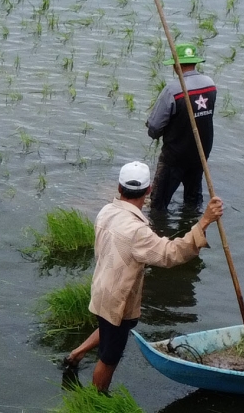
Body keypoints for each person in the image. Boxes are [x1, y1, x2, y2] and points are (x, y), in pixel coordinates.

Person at [62, 161, 223, 393]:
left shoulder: (106, 211)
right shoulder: (138, 231)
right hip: (118, 299)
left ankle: (75, 355)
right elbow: (171, 254)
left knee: (109, 328)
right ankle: (97, 398)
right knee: (109, 358)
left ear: (119, 188)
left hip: (101, 288)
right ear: (149, 191)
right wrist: (204, 221)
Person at [145, 42, 217, 211]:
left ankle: (159, 232)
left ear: (176, 66)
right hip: (201, 152)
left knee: (158, 203)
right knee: (193, 201)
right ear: (195, 63)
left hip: (175, 156)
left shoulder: (172, 90)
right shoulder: (210, 84)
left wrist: (153, 130)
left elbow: (155, 127)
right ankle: (193, 229)